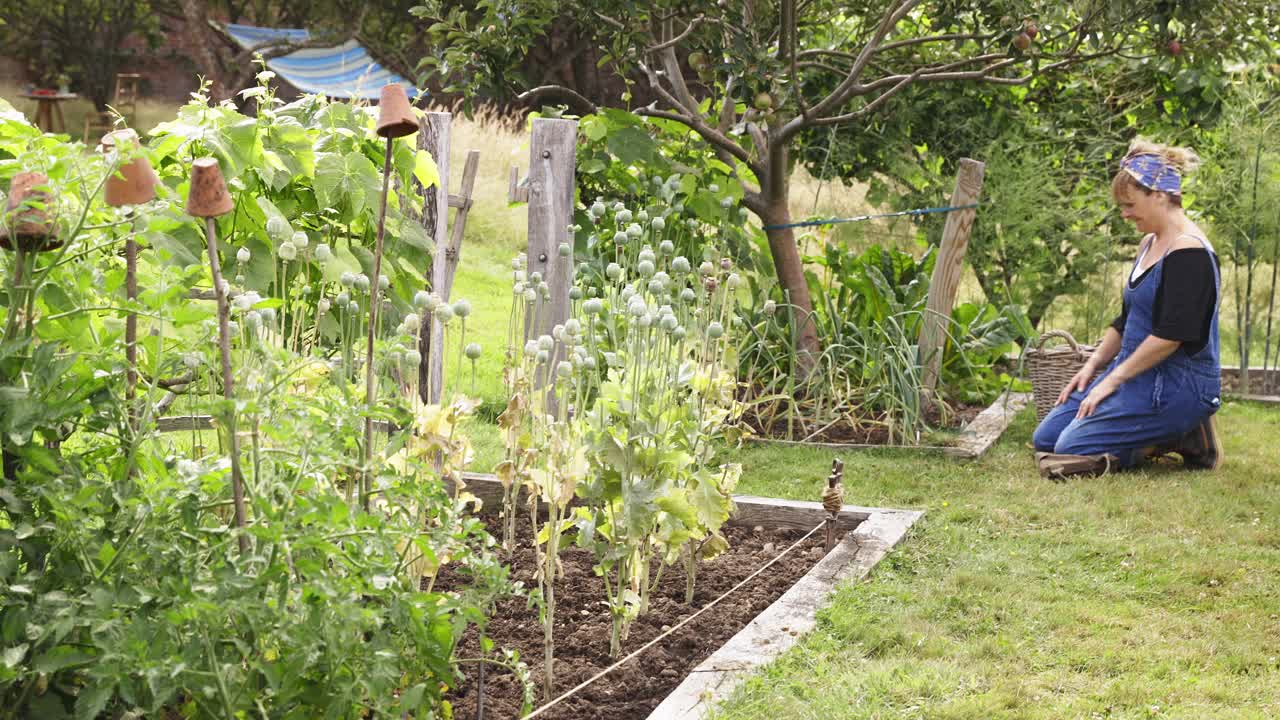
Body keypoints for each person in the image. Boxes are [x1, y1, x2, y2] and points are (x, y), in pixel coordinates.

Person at [1033, 138, 1223, 479]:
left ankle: (1183, 430)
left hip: (1178, 384)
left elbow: (1170, 337)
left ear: (1160, 195)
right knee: (1045, 437)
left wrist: (1112, 381)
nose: (1124, 214)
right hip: (1136, 373)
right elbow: (1126, 320)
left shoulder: (1189, 253)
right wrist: (1092, 368)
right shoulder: (1148, 243)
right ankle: (1165, 432)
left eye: (1130, 204)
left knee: (1069, 447)